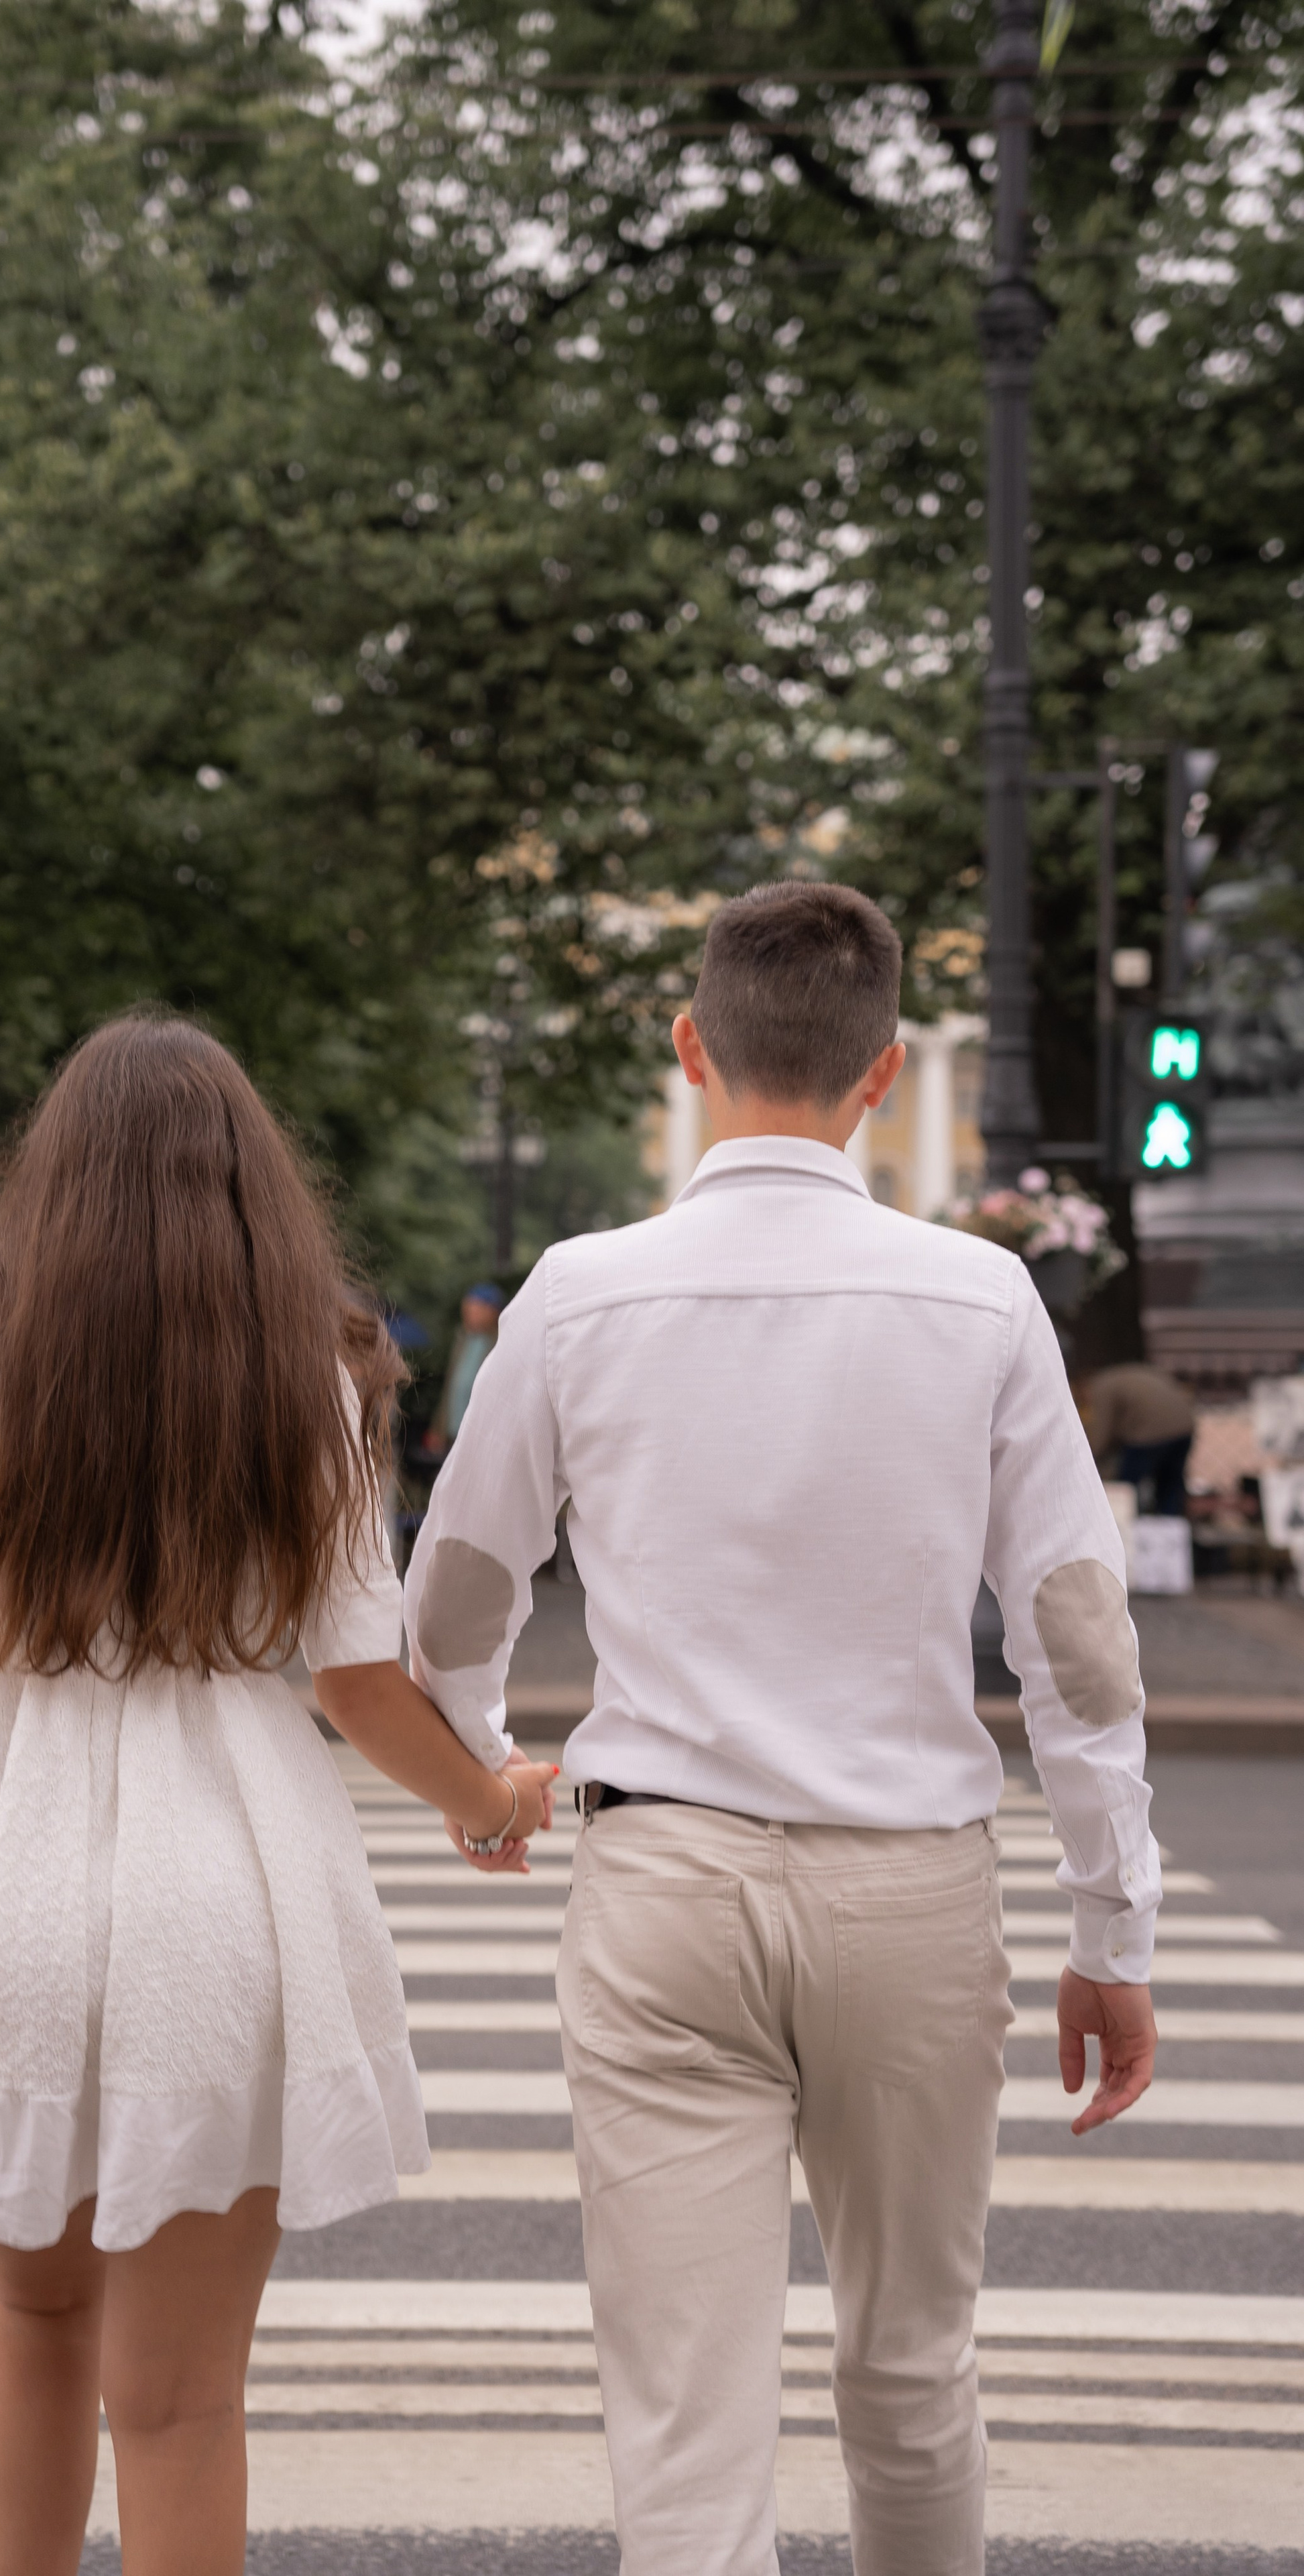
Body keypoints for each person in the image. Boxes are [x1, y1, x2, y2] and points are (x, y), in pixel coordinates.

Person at [405, 883, 1161, 2576]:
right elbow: (1073, 1638)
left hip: (662, 1879)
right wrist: (1109, 1923)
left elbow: (457, 1586)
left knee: (684, 2423)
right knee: (909, 2367)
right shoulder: (977, 1300)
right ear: (881, 1072)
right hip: (907, 1887)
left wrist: (474, 1773)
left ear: (690, 1046)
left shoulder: (578, 1290)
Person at [0, 1015, 555, 2576]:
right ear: (252, 1195)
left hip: (0, 1868)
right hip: (220, 1883)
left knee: (28, 2315)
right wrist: (491, 1798)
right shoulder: (297, 1382)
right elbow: (356, 1681)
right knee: (181, 2398)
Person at [1080, 1360, 1197, 1517]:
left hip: (1149, 1432)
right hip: (1184, 1427)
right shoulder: (1129, 1374)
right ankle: (1172, 1531)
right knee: (1170, 1485)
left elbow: (1101, 1432)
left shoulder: (1100, 1386)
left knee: (1125, 1488)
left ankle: (1123, 1527)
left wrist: (1086, 1460)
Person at [423, 1282, 504, 1456]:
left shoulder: (501, 1343)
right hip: (454, 1431)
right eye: (466, 1309)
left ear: (491, 1311)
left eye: (474, 1310)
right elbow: (450, 1387)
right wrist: (438, 1427)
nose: (468, 1315)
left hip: (483, 1433)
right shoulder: (463, 1340)